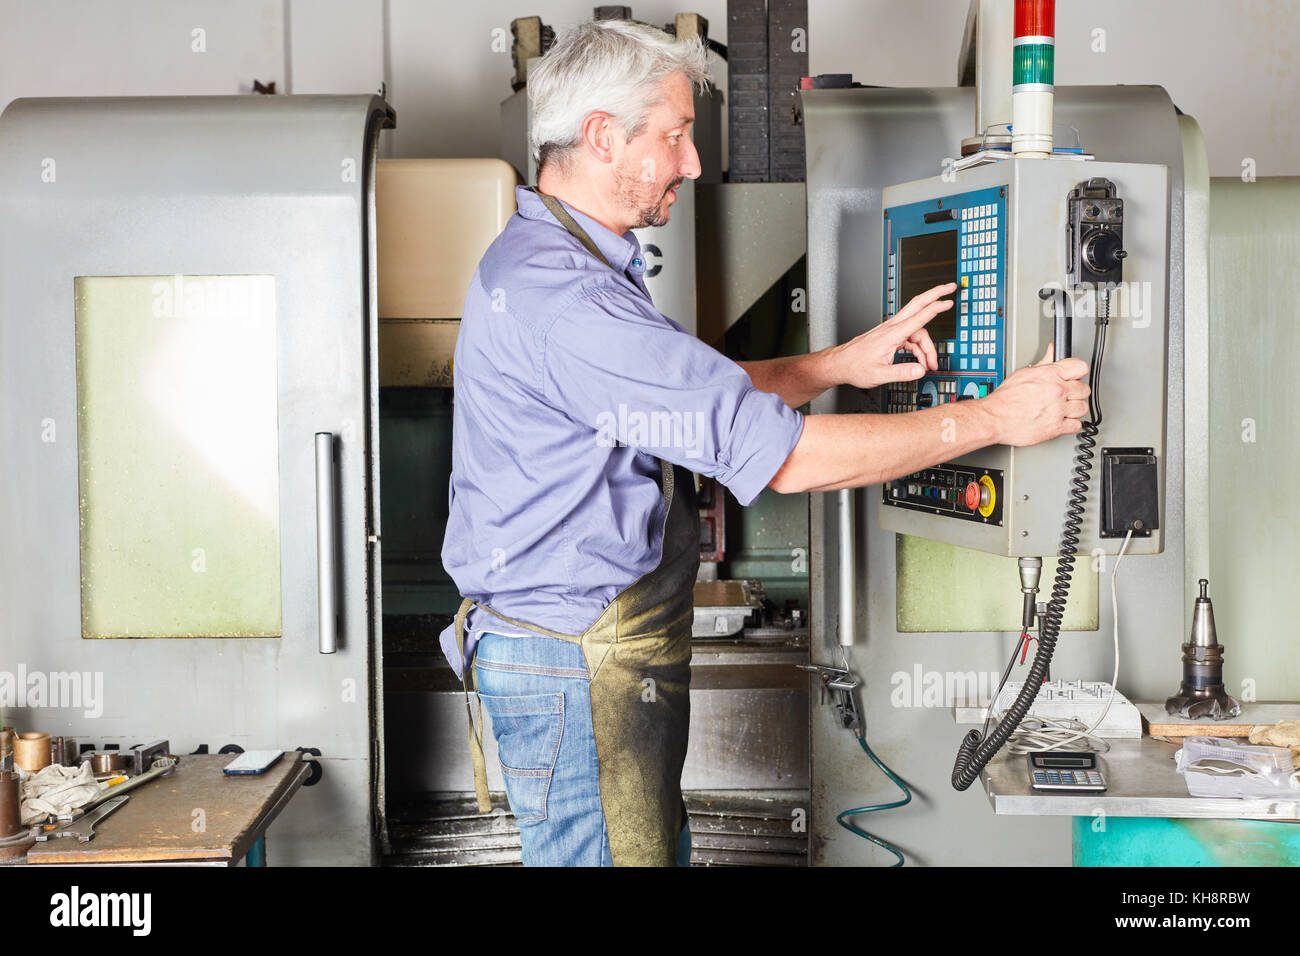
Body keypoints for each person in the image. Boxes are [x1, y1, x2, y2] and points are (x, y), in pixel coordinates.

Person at [438, 19, 1089, 867]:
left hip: (570, 655)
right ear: (601, 136)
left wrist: (836, 365)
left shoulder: (558, 259)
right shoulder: (568, 303)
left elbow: (683, 395)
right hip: (571, 669)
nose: (693, 162)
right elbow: (786, 458)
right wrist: (997, 420)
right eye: (674, 135)